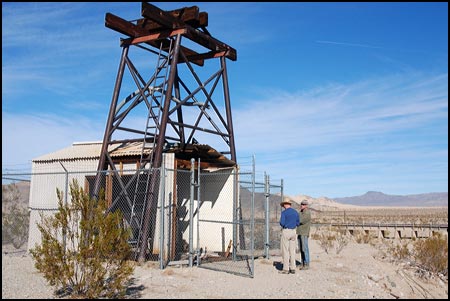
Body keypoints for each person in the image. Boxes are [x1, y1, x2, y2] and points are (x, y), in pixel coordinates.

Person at [278, 198, 300, 274]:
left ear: (285, 204)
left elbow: (282, 223)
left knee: (285, 250)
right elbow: (298, 222)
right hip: (294, 231)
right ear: (289, 204)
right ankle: (293, 268)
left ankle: (286, 268)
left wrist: (285, 225)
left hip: (286, 231)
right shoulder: (295, 212)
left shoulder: (284, 213)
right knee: (292, 250)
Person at [297, 199, 311, 270]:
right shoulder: (300, 212)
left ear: (306, 206)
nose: (302, 205)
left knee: (305, 248)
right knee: (301, 248)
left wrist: (296, 220)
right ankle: (302, 262)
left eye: (303, 204)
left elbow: (301, 221)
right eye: (301, 204)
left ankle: (307, 263)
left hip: (304, 233)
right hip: (299, 232)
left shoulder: (307, 213)